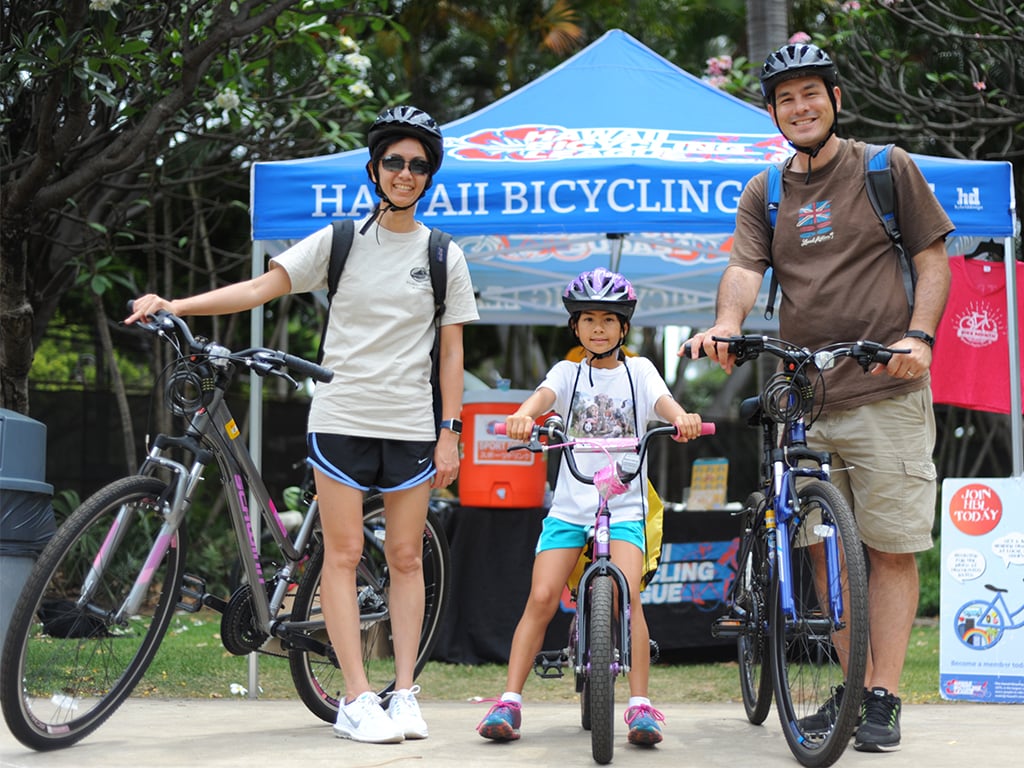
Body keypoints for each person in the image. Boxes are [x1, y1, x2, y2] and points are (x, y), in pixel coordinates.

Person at [127, 106, 479, 744]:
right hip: (342, 415)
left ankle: (404, 693)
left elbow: (451, 353)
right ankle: (356, 698)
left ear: (429, 177)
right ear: (375, 168)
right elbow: (261, 288)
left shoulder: (442, 254)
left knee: (404, 557)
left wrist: (450, 429)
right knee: (341, 554)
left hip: (410, 422)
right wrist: (175, 304)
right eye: (394, 161)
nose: (405, 172)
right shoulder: (339, 240)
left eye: (418, 164)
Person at [685, 43, 952, 753]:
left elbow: (931, 257)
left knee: (889, 549)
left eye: (811, 94)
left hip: (885, 387)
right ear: (772, 112)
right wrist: (726, 324)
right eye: (784, 99)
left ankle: (884, 696)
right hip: (806, 398)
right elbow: (744, 269)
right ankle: (855, 685)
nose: (799, 108)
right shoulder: (765, 191)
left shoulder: (884, 170)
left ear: (835, 97)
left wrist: (919, 338)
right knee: (823, 554)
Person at [477, 268, 704, 747]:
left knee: (630, 597)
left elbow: (663, 402)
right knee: (540, 598)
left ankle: (641, 705)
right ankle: (509, 702)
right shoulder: (567, 372)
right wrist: (522, 416)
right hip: (571, 505)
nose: (598, 328)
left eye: (608, 319)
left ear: (623, 328)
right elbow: (543, 398)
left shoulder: (639, 371)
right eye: (588, 320)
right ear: (575, 328)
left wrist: (680, 417)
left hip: (624, 507)